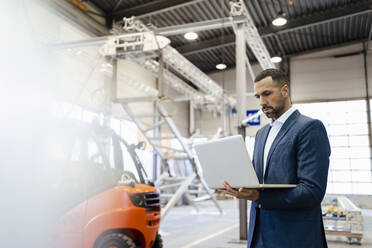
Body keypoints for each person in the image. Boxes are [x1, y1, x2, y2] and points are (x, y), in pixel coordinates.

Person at [221, 69, 330, 248]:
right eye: (258, 96)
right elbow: (259, 180)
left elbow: (312, 191)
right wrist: (239, 182)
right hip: (259, 234)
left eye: (267, 94)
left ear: (285, 91)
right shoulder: (261, 134)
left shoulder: (309, 128)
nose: (262, 102)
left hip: (293, 237)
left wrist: (258, 197)